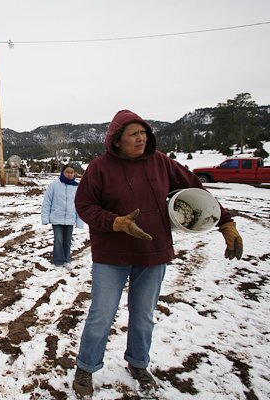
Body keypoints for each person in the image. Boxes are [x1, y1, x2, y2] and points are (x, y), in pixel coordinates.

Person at [71, 110, 243, 397]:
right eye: (133, 134)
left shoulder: (160, 162)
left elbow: (195, 189)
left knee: (143, 315)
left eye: (143, 132)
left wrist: (225, 221)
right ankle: (86, 367)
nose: (141, 138)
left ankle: (138, 364)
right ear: (116, 141)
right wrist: (115, 222)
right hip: (111, 255)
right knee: (101, 314)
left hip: (153, 252)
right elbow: (85, 206)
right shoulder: (99, 168)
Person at [41, 164, 84, 267]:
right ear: (62, 173)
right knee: (59, 240)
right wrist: (45, 218)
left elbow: (80, 205)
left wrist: (79, 221)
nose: (69, 174)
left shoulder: (77, 187)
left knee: (67, 241)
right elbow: (47, 202)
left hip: (70, 218)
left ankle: (67, 260)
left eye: (71, 172)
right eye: (67, 172)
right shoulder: (54, 185)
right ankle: (58, 261)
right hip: (57, 218)